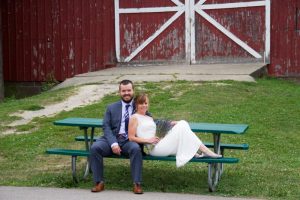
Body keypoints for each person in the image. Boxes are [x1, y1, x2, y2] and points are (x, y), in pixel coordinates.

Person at [128, 93, 222, 168]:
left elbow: (159, 126)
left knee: (182, 123)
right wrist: (148, 140)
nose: (144, 105)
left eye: (146, 103)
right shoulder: (134, 118)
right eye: (141, 103)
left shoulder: (148, 117)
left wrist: (171, 123)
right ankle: (204, 150)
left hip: (160, 143)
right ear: (136, 105)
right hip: (154, 149)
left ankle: (198, 151)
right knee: (183, 124)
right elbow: (131, 137)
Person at [90, 80, 144, 194]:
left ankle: (137, 184)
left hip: (128, 140)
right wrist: (113, 143)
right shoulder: (111, 107)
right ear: (119, 92)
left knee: (135, 149)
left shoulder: (139, 106)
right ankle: (99, 182)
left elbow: (151, 121)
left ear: (133, 91)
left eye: (129, 90)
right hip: (111, 139)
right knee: (95, 148)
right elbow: (106, 126)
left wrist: (170, 123)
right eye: (123, 91)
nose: (126, 93)